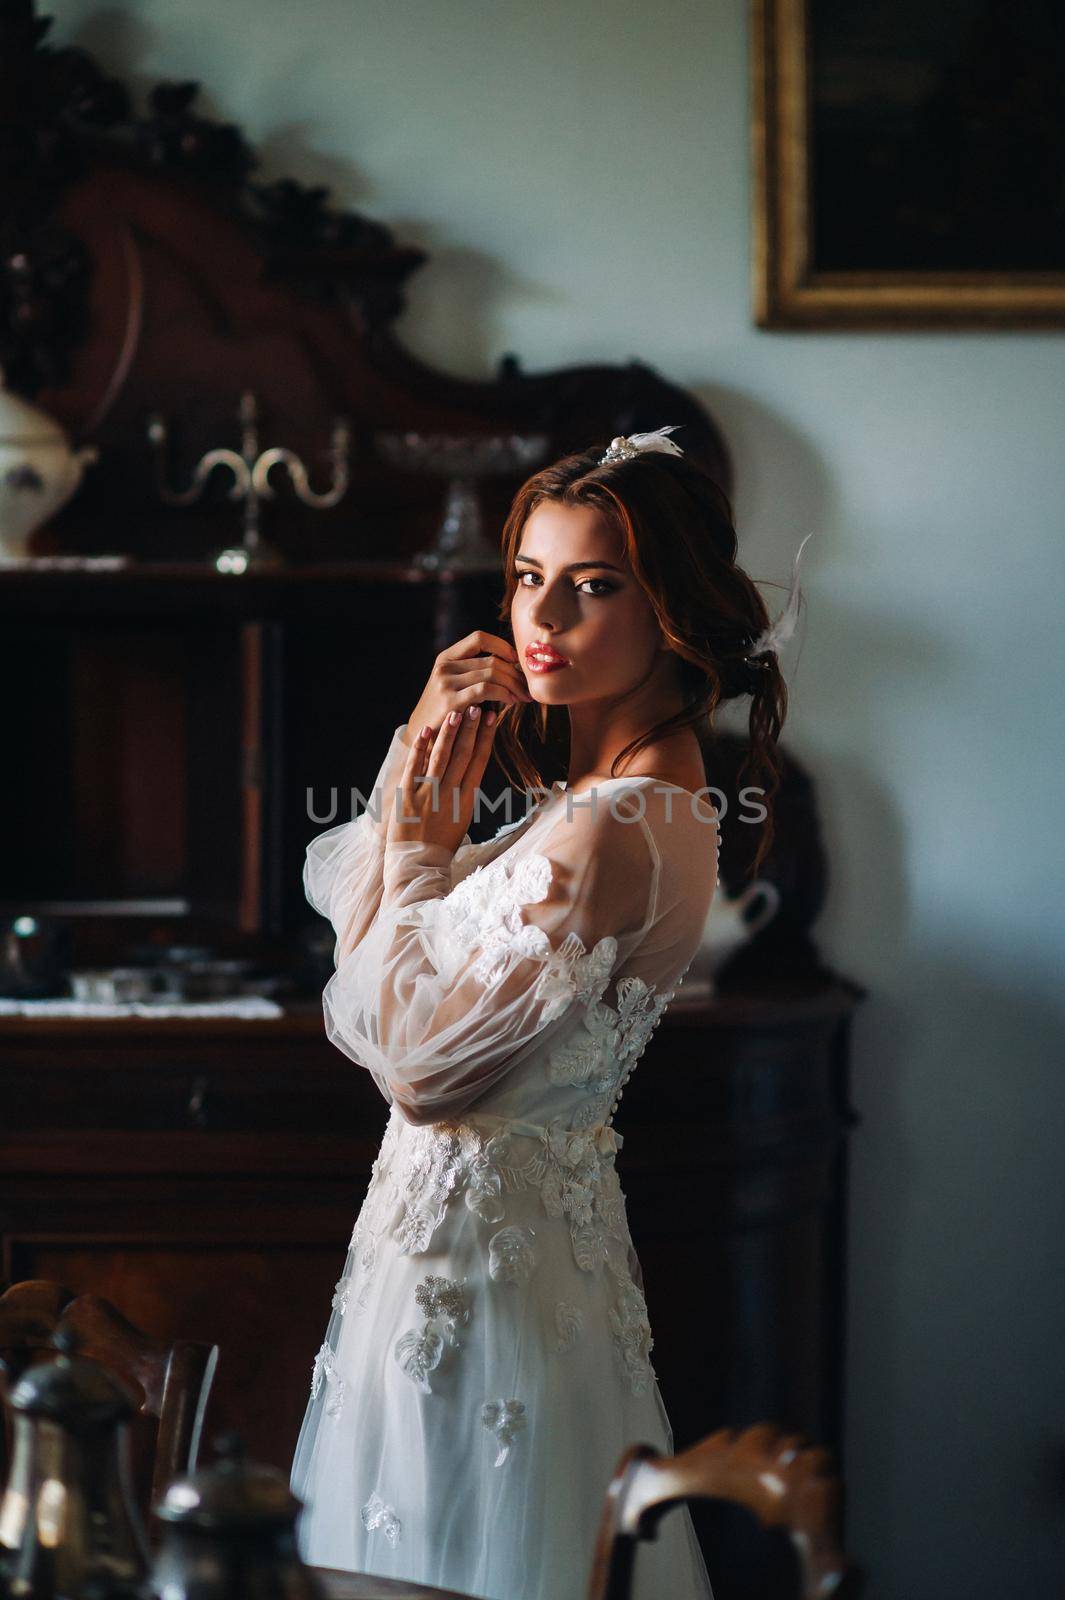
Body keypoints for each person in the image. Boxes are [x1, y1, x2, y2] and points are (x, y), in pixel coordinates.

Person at [290, 426, 803, 1600]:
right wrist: (425, 765)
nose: (544, 619)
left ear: (671, 603)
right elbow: (398, 960)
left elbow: (420, 1069)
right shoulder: (602, 802)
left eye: (593, 585)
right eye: (528, 577)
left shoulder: (616, 825)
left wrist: (420, 851)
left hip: (482, 1286)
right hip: (458, 1267)